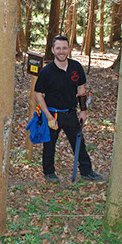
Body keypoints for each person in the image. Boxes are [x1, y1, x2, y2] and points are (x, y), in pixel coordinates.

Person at [34, 35, 104, 182]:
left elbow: (81, 90)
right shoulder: (46, 71)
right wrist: (48, 117)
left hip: (70, 113)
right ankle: (49, 172)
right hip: (53, 114)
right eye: (58, 48)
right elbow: (38, 95)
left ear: (68, 49)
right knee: (49, 145)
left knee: (79, 143)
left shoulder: (75, 67)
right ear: (53, 50)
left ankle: (86, 171)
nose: (61, 51)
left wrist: (83, 110)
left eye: (64, 48)